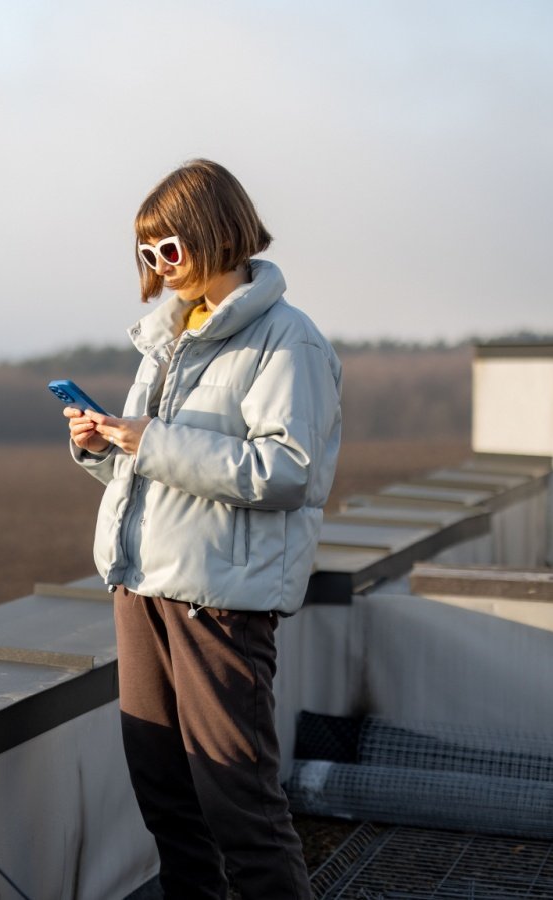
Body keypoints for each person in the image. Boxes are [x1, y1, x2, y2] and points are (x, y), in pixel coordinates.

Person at [64, 159, 341, 900]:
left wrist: (148, 440)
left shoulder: (289, 342)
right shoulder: (168, 339)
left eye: (171, 249)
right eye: (148, 255)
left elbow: (289, 470)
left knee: (239, 806)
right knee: (165, 799)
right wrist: (105, 449)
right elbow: (162, 471)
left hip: (219, 603)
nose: (160, 267)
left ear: (217, 232)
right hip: (141, 590)